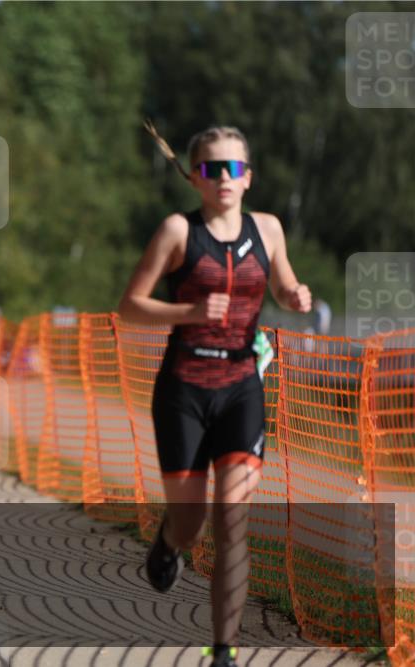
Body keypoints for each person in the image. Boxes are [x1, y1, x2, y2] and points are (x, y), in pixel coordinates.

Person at [118, 125, 312, 667]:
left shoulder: (268, 229)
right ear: (195, 177)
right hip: (183, 390)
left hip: (241, 388)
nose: (222, 178)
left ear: (248, 178)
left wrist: (294, 295)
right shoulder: (177, 231)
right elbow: (131, 305)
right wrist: (189, 313)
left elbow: (282, 284)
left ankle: (222, 650)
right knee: (191, 522)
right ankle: (170, 541)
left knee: (233, 520)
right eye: (211, 169)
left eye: (233, 169)